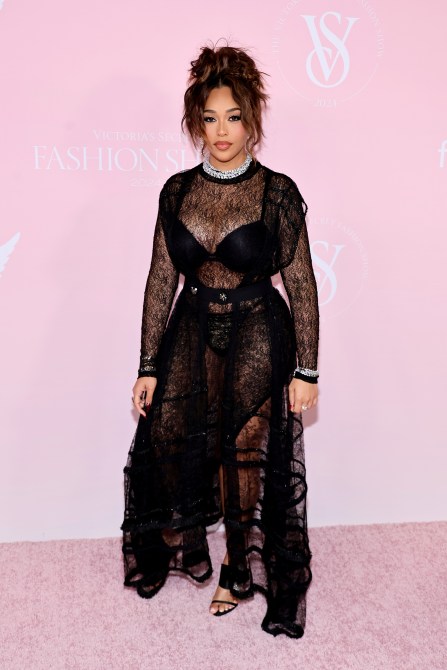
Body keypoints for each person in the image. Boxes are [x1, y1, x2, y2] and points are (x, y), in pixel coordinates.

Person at [121, 42, 319, 639]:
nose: (223, 131)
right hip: (190, 326)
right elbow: (161, 280)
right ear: (196, 123)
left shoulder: (275, 192)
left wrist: (307, 370)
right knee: (168, 435)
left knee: (244, 446)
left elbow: (302, 284)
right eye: (210, 118)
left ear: (252, 118)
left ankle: (237, 565)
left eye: (233, 117)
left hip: (259, 326)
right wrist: (147, 363)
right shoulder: (176, 191)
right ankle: (181, 547)